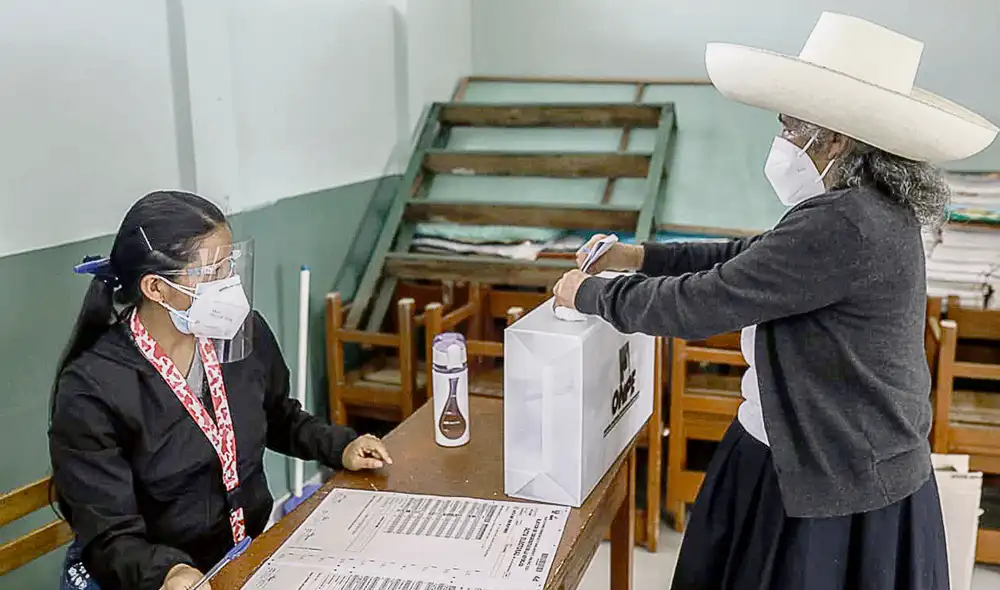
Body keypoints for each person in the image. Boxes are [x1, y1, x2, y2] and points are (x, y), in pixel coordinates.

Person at [553, 12, 997, 590]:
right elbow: (750, 256)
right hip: (824, 450)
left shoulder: (845, 223)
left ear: (836, 138)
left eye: (793, 127)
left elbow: (704, 303)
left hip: (830, 472)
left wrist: (589, 292)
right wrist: (639, 258)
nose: (784, 141)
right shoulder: (866, 209)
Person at [49, 191, 393, 590]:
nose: (228, 284)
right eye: (212, 271)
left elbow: (278, 415)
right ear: (156, 289)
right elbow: (109, 535)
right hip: (144, 578)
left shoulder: (238, 334)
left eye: (230, 265)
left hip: (235, 559)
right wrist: (169, 572)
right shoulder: (92, 388)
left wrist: (340, 447)